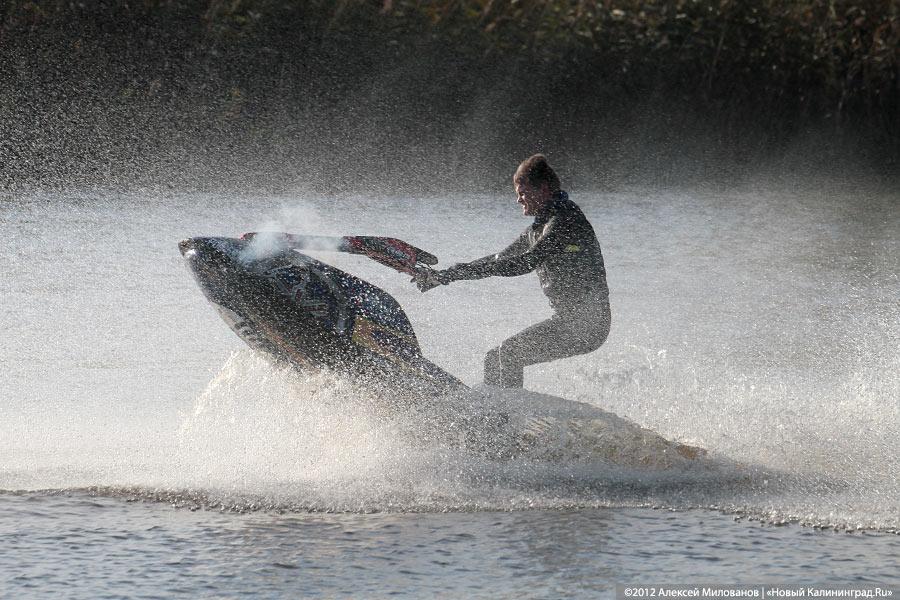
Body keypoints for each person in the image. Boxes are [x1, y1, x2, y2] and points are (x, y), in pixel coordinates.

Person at [413, 154, 611, 388]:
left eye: (523, 192)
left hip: (588, 324)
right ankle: (497, 411)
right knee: (494, 357)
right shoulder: (538, 228)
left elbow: (527, 262)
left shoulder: (565, 219)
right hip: (570, 321)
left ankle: (507, 416)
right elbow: (499, 258)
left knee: (507, 354)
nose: (518, 199)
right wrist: (446, 274)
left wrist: (453, 274)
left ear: (544, 189)